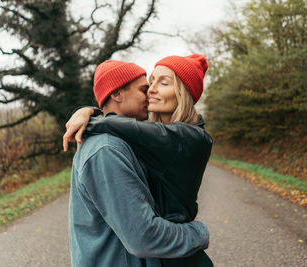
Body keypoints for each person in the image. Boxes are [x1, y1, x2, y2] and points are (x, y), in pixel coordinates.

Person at [68, 59, 210, 267]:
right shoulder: (108, 149)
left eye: (161, 83)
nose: (150, 92)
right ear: (117, 94)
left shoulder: (188, 137)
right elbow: (142, 236)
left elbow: (129, 127)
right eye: (147, 86)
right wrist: (199, 233)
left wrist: (91, 115)